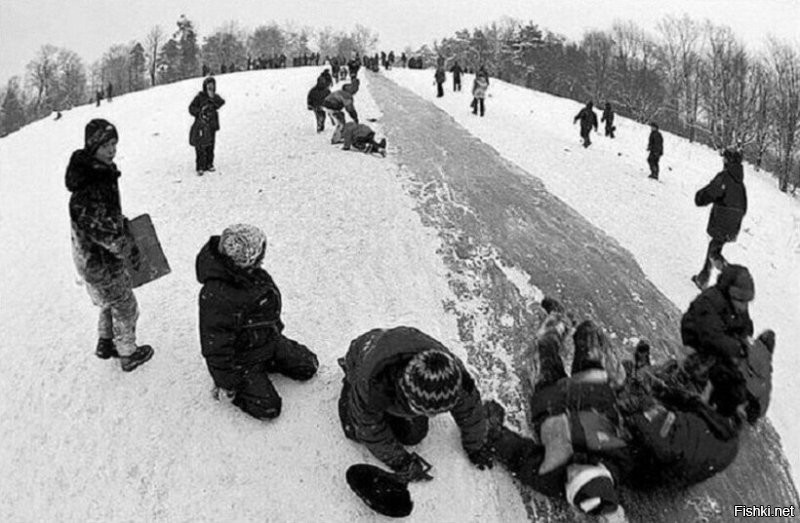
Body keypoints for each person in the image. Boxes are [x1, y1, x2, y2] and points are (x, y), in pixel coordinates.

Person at [491, 299, 630, 518]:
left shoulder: (550, 478)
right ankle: (616, 372)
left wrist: (493, 432)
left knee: (545, 347)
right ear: (599, 469)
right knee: (589, 335)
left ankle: (558, 319)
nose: (571, 471)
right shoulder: (619, 462)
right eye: (579, 473)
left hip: (551, 400)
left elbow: (519, 455)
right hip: (592, 392)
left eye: (570, 480)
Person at [337, 327, 495, 482]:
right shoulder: (373, 386)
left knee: (413, 436)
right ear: (405, 392)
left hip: (394, 352)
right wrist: (402, 463)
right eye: (423, 409)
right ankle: (350, 385)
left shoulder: (454, 377)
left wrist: (476, 446)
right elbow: (371, 431)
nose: (432, 416)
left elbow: (470, 410)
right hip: (361, 358)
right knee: (355, 431)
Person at [196, 224, 319, 420]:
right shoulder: (217, 297)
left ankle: (269, 361)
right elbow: (215, 347)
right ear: (245, 260)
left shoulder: (252, 275)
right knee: (269, 408)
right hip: (243, 358)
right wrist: (228, 382)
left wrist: (275, 334)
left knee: (308, 366)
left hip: (267, 341)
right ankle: (244, 388)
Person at [66, 119, 154, 372]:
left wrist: (122, 223)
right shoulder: (87, 188)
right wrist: (126, 246)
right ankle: (128, 354)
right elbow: (101, 230)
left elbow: (106, 216)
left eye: (114, 143)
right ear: (93, 146)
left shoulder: (99, 173)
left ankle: (106, 342)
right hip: (100, 262)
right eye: (105, 145)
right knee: (126, 306)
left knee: (108, 301)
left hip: (93, 261)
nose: (112, 150)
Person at [616, 343, 747, 489]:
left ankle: (632, 382)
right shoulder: (732, 443)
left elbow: (646, 433)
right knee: (657, 392)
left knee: (639, 396)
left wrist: (634, 416)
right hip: (679, 475)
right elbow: (695, 403)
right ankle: (641, 377)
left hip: (644, 474)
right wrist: (665, 391)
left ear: (715, 403)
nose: (703, 391)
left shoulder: (687, 428)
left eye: (708, 389)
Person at [691, 148, 748, 289]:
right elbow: (744, 206)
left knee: (713, 252)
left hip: (723, 220)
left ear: (728, 161)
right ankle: (702, 279)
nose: (723, 161)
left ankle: (731, 276)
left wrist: (700, 197)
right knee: (714, 248)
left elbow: (712, 191)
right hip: (733, 223)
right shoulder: (740, 184)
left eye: (725, 159)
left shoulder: (725, 177)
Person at [189, 76, 225, 176]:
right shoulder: (199, 96)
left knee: (211, 145)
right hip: (201, 125)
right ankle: (200, 166)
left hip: (211, 125)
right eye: (208, 85)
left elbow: (222, 102)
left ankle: (209, 164)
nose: (210, 87)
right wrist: (200, 111)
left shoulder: (214, 96)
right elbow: (191, 108)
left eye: (212, 85)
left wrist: (213, 101)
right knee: (200, 146)